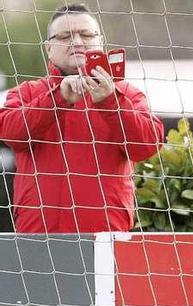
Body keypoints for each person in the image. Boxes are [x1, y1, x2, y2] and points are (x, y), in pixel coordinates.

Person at [0, 3, 164, 234]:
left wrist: (109, 101)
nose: (77, 42)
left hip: (106, 236)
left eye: (86, 34)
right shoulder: (26, 92)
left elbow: (146, 145)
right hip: (38, 235)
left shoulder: (127, 93)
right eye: (65, 36)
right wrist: (57, 98)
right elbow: (10, 134)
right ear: (48, 49)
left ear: (100, 42)